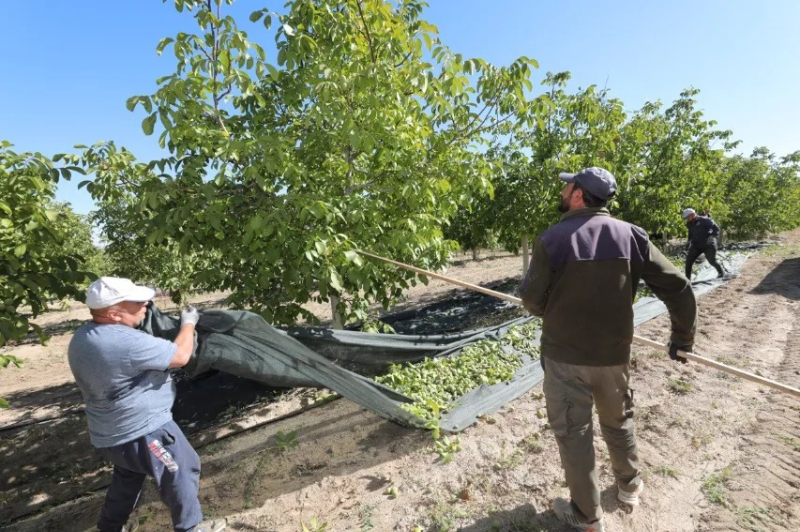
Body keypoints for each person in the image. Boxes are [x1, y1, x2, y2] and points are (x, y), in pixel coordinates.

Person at [519, 167, 697, 531]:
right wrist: (682, 339)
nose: (564, 190)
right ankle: (629, 486)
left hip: (565, 358)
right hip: (614, 356)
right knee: (618, 420)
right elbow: (678, 286)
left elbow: (533, 301)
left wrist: (550, 307)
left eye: (568, 185)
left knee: (574, 433)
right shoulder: (632, 235)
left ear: (580, 195)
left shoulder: (553, 239)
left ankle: (587, 517)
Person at [68, 277, 226, 532]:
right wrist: (188, 324)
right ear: (113, 313)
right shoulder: (123, 342)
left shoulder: (83, 336)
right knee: (181, 469)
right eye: (137, 302)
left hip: (110, 435)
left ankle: (108, 527)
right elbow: (181, 356)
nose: (146, 305)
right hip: (143, 431)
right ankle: (191, 528)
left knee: (128, 475)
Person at [682, 208, 724, 279]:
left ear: (692, 215)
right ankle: (687, 281)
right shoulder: (689, 223)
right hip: (696, 245)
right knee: (688, 262)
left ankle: (721, 273)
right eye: (686, 218)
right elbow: (691, 233)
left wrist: (711, 237)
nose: (686, 219)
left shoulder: (704, 220)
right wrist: (688, 242)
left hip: (709, 245)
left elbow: (716, 229)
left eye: (687, 217)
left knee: (712, 261)